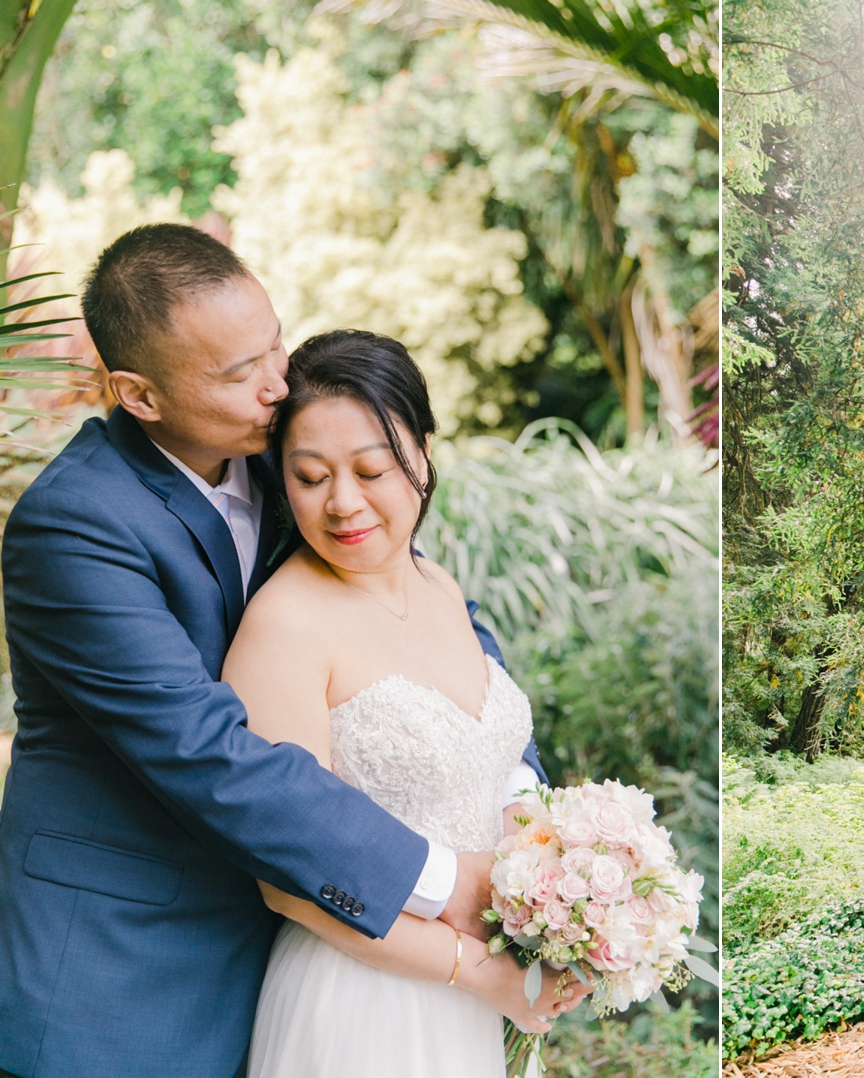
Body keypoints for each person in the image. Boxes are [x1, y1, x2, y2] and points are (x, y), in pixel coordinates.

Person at [0, 225, 567, 1078]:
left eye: (274, 344)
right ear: (138, 394)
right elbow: (211, 754)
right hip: (125, 971)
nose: (278, 383)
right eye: (239, 373)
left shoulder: (287, 461)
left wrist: (522, 798)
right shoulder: (74, 525)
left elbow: (414, 601)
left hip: (313, 944)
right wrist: (451, 885)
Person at [229, 329, 578, 1076]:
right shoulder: (282, 627)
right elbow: (287, 880)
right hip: (362, 1004)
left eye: (372, 469)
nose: (343, 503)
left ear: (422, 450)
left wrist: (549, 878)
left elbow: (493, 758)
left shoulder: (439, 584)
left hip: (477, 1004)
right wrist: (471, 967)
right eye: (311, 476)